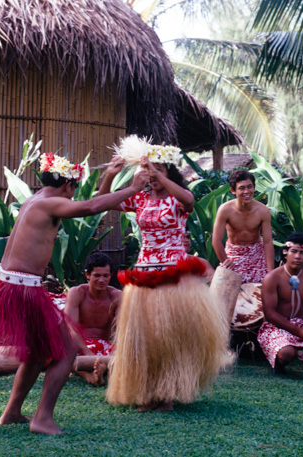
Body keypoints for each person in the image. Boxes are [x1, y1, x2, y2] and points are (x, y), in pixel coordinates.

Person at [0, 152, 149, 435]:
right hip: (21, 288)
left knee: (39, 352)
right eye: (73, 188)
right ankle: (42, 419)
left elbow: (92, 204)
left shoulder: (36, 199)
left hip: (9, 283)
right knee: (65, 349)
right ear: (68, 185)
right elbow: (90, 208)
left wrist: (111, 176)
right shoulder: (51, 204)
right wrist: (134, 187)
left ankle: (12, 412)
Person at [98, 135, 232, 411]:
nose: (152, 176)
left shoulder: (177, 199)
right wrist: (110, 177)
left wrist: (161, 174)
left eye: (158, 170)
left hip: (174, 274)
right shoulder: (141, 199)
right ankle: (148, 393)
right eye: (149, 171)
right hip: (144, 274)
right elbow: (104, 201)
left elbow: (190, 199)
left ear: (169, 171)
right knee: (144, 338)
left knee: (168, 337)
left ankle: (169, 393)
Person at [258, 232, 303, 373]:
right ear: (285, 252)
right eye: (293, 251)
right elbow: (270, 314)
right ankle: (280, 361)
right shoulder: (272, 278)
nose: (297, 257)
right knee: (286, 354)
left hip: (301, 322)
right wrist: (300, 332)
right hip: (275, 327)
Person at [64, 252, 122, 387]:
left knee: (126, 356)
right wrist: (87, 352)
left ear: (111, 276)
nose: (101, 280)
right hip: (79, 346)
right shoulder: (77, 293)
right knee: (62, 353)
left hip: (104, 347)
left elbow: (122, 329)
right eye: (97, 275)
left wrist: (117, 350)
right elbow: (70, 327)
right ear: (87, 275)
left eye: (105, 276)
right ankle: (91, 376)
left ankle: (97, 370)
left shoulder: (116, 296)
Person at [212, 170, 274, 284]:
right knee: (225, 289)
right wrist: (226, 261)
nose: (247, 191)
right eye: (241, 188)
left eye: (250, 187)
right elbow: (216, 241)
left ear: (254, 187)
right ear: (233, 191)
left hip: (257, 254)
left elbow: (268, 242)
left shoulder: (263, 210)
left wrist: (270, 271)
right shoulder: (225, 210)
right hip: (233, 254)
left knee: (264, 287)